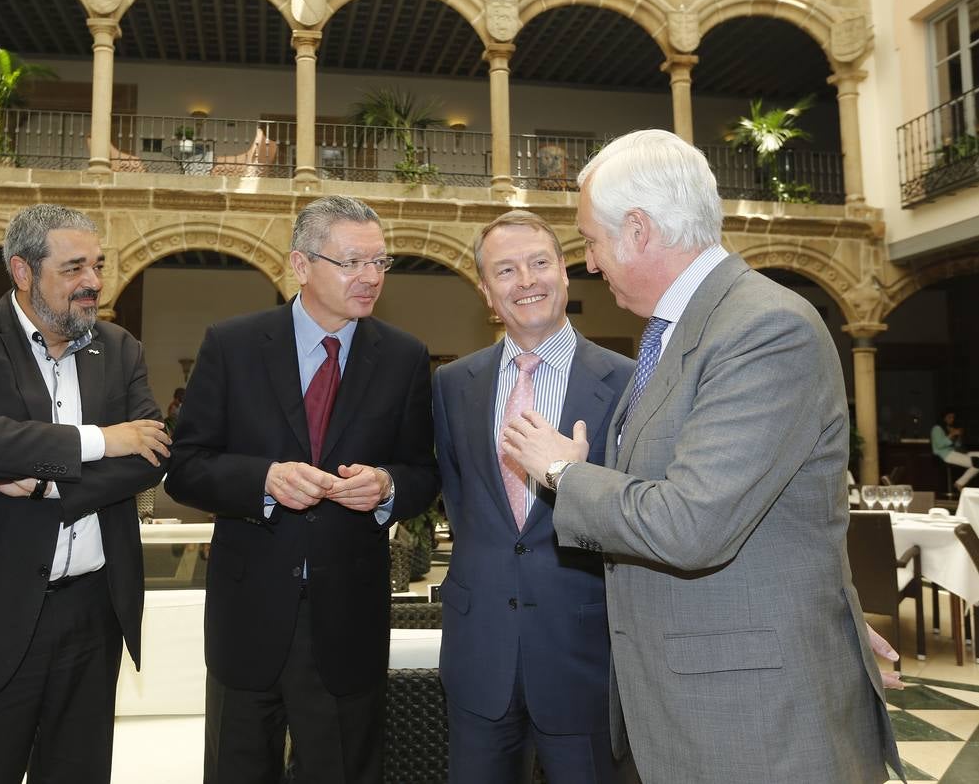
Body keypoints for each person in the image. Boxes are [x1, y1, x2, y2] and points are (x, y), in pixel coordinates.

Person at [504, 129, 902, 782]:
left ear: (636, 230)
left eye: (592, 242)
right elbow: (782, 517)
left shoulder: (761, 329)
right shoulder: (681, 333)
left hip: (752, 721)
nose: (592, 264)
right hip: (685, 707)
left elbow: (693, 524)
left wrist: (560, 471)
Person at [167, 195, 439, 784]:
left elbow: (424, 472)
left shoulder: (404, 358)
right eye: (351, 262)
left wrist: (388, 487)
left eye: (380, 262)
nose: (370, 278)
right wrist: (261, 480)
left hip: (349, 622)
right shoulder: (233, 345)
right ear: (301, 264)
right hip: (249, 618)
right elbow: (186, 466)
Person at [0, 204, 170, 784]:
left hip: (92, 614)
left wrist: (38, 481)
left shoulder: (119, 346)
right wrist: (102, 441)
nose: (94, 284)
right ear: (23, 272)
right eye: (74, 268)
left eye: (98, 266)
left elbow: (152, 456)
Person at [433, 211, 635, 784]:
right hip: (479, 654)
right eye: (506, 269)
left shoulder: (627, 383)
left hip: (586, 653)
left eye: (540, 263)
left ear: (567, 274)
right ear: (486, 291)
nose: (526, 280)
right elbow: (460, 498)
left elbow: (645, 506)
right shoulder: (453, 386)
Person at [932, 409, 979, 489]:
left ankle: (959, 483)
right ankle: (959, 483)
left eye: (953, 417)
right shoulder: (937, 429)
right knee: (977, 462)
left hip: (956, 452)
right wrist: (951, 434)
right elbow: (939, 445)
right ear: (943, 418)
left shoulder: (949, 428)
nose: (952, 419)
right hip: (945, 454)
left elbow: (957, 445)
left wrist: (959, 437)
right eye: (949, 417)